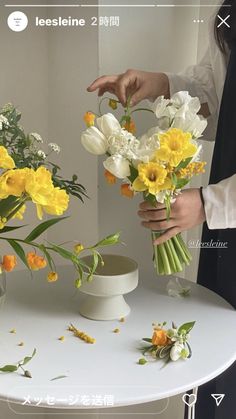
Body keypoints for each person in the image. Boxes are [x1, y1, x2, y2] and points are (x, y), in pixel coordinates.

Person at [87, 1, 236, 418]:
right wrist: (159, 84)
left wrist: (209, 204)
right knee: (218, 361)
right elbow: (218, 92)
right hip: (227, 232)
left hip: (222, 209)